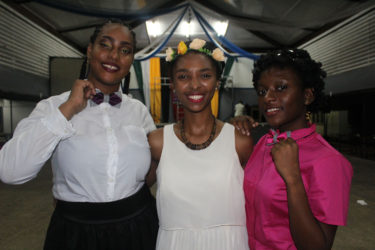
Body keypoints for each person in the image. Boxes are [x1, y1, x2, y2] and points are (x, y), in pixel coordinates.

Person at [0, 20, 158, 250]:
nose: (114, 55)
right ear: (90, 49)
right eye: (106, 45)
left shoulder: (139, 111)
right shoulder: (52, 107)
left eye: (125, 50)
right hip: (76, 233)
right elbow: (10, 171)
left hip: (138, 227)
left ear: (131, 60)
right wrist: (69, 108)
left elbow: (154, 161)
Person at [147, 39, 254, 250]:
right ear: (173, 84)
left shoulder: (240, 140)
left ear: (217, 81)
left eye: (205, 75)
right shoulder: (157, 142)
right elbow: (132, 192)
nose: (194, 85)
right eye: (183, 76)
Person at [243, 49, 353, 249]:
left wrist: (293, 179)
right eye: (262, 91)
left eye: (281, 87)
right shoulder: (264, 143)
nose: (268, 97)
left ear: (307, 96)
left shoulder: (329, 161)